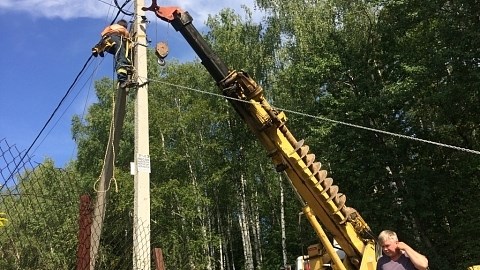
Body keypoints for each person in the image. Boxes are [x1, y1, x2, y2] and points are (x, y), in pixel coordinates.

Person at [92, 19, 133, 88]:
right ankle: (122, 79)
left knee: (117, 52)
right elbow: (127, 39)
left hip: (107, 41)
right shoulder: (122, 29)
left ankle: (98, 49)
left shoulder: (111, 27)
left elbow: (103, 34)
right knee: (121, 54)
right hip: (115, 39)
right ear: (124, 26)